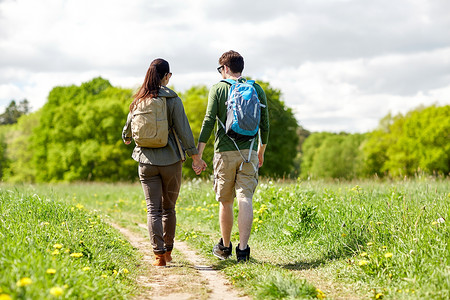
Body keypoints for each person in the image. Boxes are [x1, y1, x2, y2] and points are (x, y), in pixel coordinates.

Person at [122, 58, 206, 267]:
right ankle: (168, 251)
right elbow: (184, 131)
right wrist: (195, 156)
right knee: (168, 208)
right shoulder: (173, 100)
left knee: (153, 209)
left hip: (145, 161)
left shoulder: (139, 99)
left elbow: (127, 129)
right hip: (170, 161)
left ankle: (158, 256)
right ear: (166, 76)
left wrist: (127, 137)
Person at [196, 50, 269, 262]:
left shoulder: (218, 88)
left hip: (224, 152)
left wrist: (198, 155)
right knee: (245, 197)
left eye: (221, 69)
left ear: (225, 68)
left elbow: (209, 121)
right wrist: (260, 152)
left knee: (226, 201)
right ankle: (243, 250)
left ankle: (225, 247)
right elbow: (265, 125)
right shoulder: (256, 89)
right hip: (249, 152)